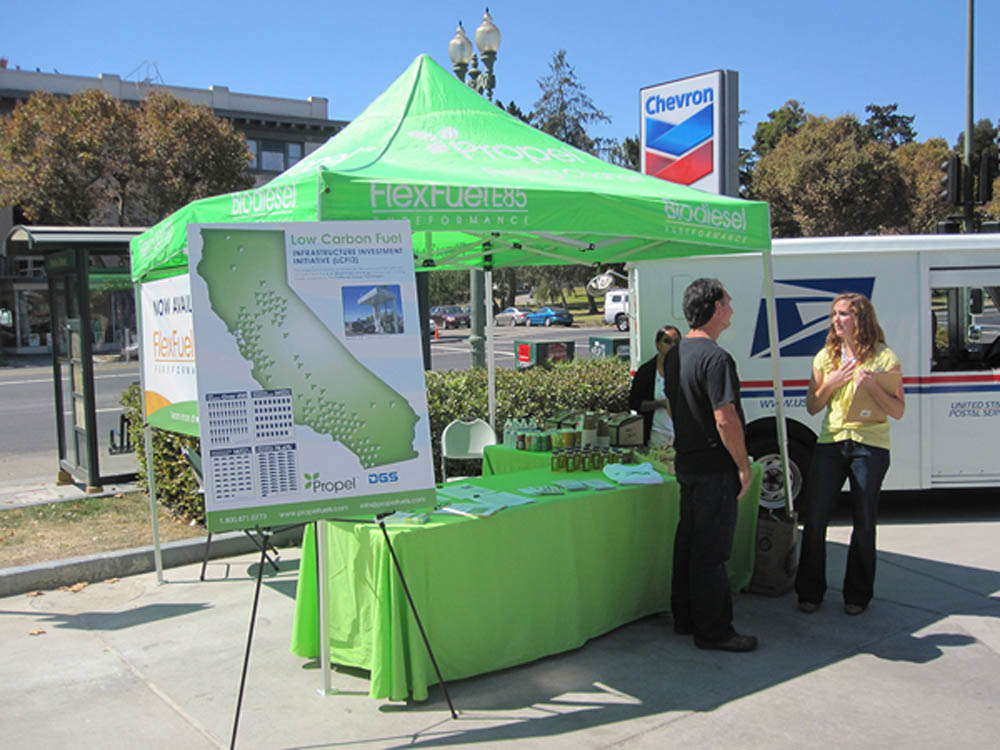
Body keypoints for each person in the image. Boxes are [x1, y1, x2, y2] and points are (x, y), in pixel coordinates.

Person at [795, 293, 904, 616]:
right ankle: (810, 591)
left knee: (864, 520)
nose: (836, 320)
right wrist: (831, 382)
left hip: (870, 446)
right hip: (831, 442)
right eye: (834, 314)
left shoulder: (885, 358)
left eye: (843, 314)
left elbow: (898, 410)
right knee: (815, 518)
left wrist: (871, 387)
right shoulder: (824, 356)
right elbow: (813, 405)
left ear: (861, 319)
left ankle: (857, 595)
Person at [664, 278, 757, 653]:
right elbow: (725, 417)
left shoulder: (674, 355)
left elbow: (673, 405)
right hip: (714, 465)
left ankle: (684, 617)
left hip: (687, 460)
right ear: (716, 308)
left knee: (688, 542)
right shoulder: (716, 358)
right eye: (729, 302)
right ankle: (714, 630)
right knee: (711, 551)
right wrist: (742, 465)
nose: (732, 309)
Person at [628, 325, 682, 447]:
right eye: (667, 341)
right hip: (655, 437)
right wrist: (660, 404)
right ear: (658, 344)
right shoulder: (646, 371)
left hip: (681, 437)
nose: (673, 345)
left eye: (677, 342)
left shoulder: (686, 370)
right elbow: (634, 403)